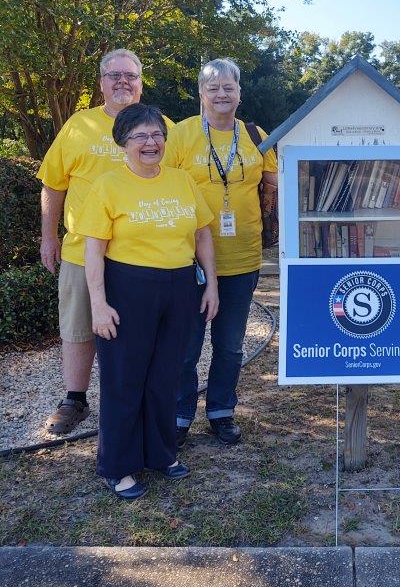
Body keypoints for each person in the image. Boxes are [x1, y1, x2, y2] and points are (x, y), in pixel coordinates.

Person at [74, 103, 218, 499]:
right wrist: (99, 305)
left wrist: (212, 285)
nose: (150, 142)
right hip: (127, 288)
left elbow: (203, 234)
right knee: (124, 379)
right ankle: (118, 466)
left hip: (179, 288)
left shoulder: (182, 180)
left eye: (156, 134)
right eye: (140, 136)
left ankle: (162, 453)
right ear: (123, 142)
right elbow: (93, 252)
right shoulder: (107, 186)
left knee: (165, 376)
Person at [37, 49, 170, 435]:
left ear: (141, 82)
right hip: (82, 251)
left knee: (140, 332)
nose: (122, 82)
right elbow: (53, 183)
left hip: (143, 256)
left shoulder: (163, 127)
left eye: (130, 75)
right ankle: (74, 399)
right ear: (101, 83)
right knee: (79, 328)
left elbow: (182, 183)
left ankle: (138, 398)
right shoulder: (78, 126)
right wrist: (48, 236)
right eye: (114, 75)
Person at [165, 58, 278, 446]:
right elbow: (160, 185)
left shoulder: (254, 133)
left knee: (229, 345)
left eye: (228, 87)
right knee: (185, 346)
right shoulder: (179, 136)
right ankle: (180, 414)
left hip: (243, 257)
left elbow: (274, 181)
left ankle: (221, 410)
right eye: (212, 88)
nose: (221, 94)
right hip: (189, 260)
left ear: (240, 92)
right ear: (201, 93)